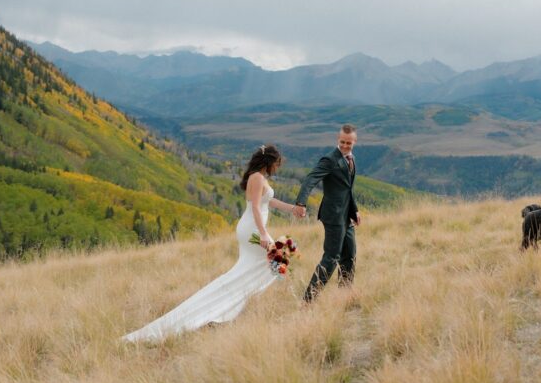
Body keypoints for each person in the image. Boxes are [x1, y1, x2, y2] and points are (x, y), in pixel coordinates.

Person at [121, 144, 306, 343]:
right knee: (278, 261)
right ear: (269, 162)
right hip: (253, 229)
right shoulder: (258, 178)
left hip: (251, 228)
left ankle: (240, 301)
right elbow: (254, 207)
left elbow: (267, 201)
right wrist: (262, 234)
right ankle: (234, 303)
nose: (277, 169)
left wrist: (291, 209)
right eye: (277, 165)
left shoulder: (257, 177)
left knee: (268, 264)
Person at [296, 124, 361, 303]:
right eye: (342, 142)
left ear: (354, 141)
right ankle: (308, 300)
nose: (345, 146)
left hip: (346, 215)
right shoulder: (330, 160)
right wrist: (301, 202)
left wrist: (354, 210)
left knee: (350, 256)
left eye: (349, 143)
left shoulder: (351, 158)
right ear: (337, 139)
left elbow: (348, 189)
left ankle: (344, 296)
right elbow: (311, 179)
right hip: (333, 216)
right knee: (331, 258)